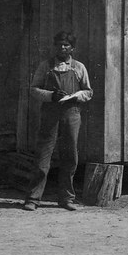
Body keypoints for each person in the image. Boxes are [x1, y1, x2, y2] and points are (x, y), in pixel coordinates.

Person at [24, 31, 93, 212]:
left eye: (66, 45)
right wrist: (51, 95)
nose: (62, 48)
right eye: (59, 45)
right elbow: (33, 89)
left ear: (72, 48)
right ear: (55, 46)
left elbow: (88, 91)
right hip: (50, 114)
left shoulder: (79, 67)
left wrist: (77, 96)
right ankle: (33, 199)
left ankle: (67, 199)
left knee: (70, 156)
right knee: (43, 156)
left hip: (71, 113)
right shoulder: (45, 66)